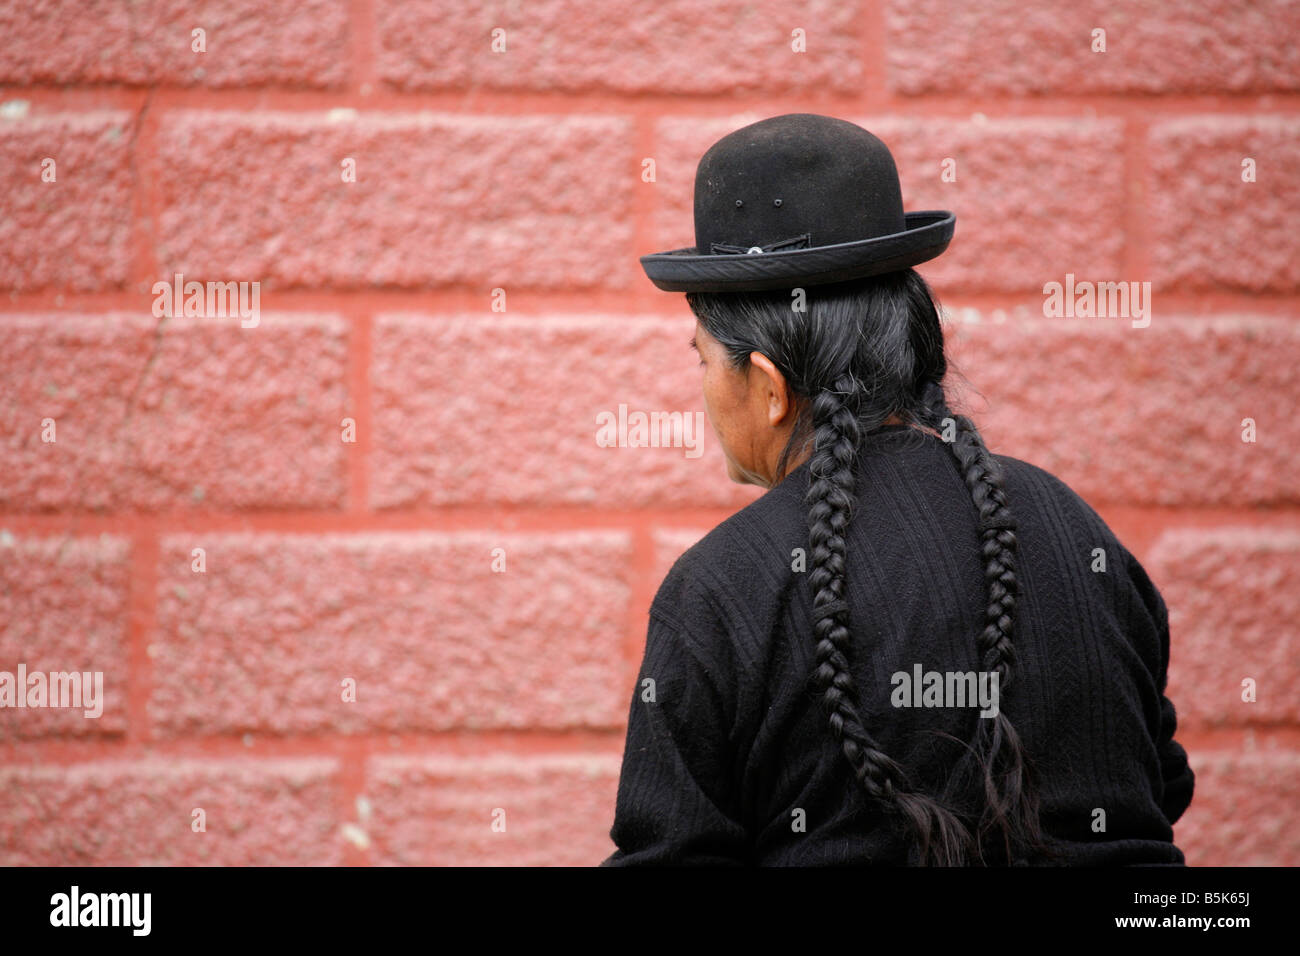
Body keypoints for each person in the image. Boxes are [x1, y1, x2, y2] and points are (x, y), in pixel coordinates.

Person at [600, 113, 1194, 866]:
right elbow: (1159, 785)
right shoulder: (1080, 534)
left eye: (703, 361)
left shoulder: (724, 592)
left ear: (770, 386)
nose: (703, 392)